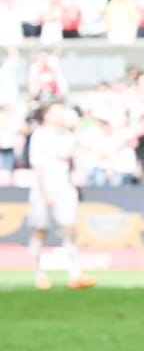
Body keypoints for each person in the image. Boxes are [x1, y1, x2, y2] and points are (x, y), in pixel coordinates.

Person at [26, 101, 94, 290]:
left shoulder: (67, 135)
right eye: (56, 112)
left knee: (70, 228)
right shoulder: (39, 136)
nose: (61, 115)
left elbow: (75, 158)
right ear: (47, 115)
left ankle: (75, 274)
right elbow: (38, 166)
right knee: (40, 229)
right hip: (45, 186)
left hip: (65, 185)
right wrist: (44, 192)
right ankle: (39, 273)